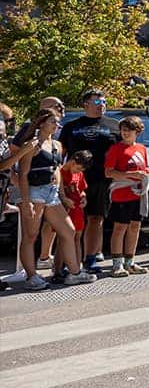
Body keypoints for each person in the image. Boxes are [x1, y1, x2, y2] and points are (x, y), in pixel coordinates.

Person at [13, 108, 95, 288]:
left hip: (51, 192)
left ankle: (74, 273)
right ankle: (32, 276)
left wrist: (61, 194)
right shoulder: (32, 145)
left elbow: (57, 169)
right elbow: (23, 174)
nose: (56, 125)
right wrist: (26, 202)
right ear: (42, 123)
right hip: (34, 191)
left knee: (68, 230)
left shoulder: (57, 145)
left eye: (57, 122)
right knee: (31, 235)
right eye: (52, 122)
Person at [58, 89, 119, 273]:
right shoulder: (71, 126)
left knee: (96, 218)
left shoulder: (114, 125)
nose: (102, 105)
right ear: (86, 104)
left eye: (104, 102)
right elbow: (61, 153)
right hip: (74, 181)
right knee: (72, 223)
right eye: (98, 102)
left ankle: (90, 259)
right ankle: (68, 263)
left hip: (102, 179)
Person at [105, 116, 149, 277]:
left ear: (137, 132)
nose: (124, 133)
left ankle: (129, 261)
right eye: (123, 130)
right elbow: (109, 172)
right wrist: (133, 174)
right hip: (121, 194)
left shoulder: (142, 148)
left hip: (137, 194)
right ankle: (117, 264)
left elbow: (143, 169)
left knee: (135, 227)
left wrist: (147, 173)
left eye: (128, 130)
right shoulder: (116, 149)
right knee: (120, 228)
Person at [52, 150, 91, 284]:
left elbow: (82, 189)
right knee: (62, 240)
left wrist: (84, 198)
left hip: (77, 210)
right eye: (78, 168)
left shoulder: (79, 173)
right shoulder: (61, 172)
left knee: (77, 239)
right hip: (64, 210)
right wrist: (65, 201)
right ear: (73, 162)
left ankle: (77, 268)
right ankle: (57, 270)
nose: (78, 171)